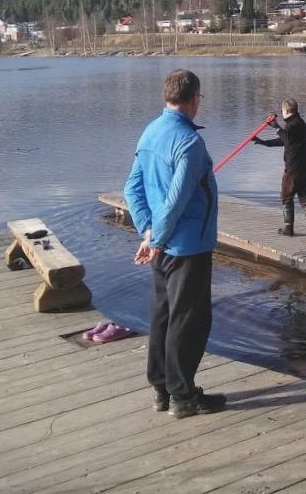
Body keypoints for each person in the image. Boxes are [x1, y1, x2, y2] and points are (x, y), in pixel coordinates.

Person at [123, 69, 226, 419]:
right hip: (188, 247)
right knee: (190, 321)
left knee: (164, 316)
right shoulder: (189, 142)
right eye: (200, 98)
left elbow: (131, 190)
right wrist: (158, 236)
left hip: (162, 245)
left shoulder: (150, 132)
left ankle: (163, 390)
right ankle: (183, 397)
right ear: (194, 98)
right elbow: (176, 199)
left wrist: (147, 232)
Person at [253, 98, 306, 239]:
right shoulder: (300, 124)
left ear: (286, 111)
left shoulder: (292, 125)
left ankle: (289, 228)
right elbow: (285, 141)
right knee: (304, 197)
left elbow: (286, 138)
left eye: (282, 111)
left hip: (294, 169)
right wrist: (263, 142)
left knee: (286, 197)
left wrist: (275, 126)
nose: (281, 113)